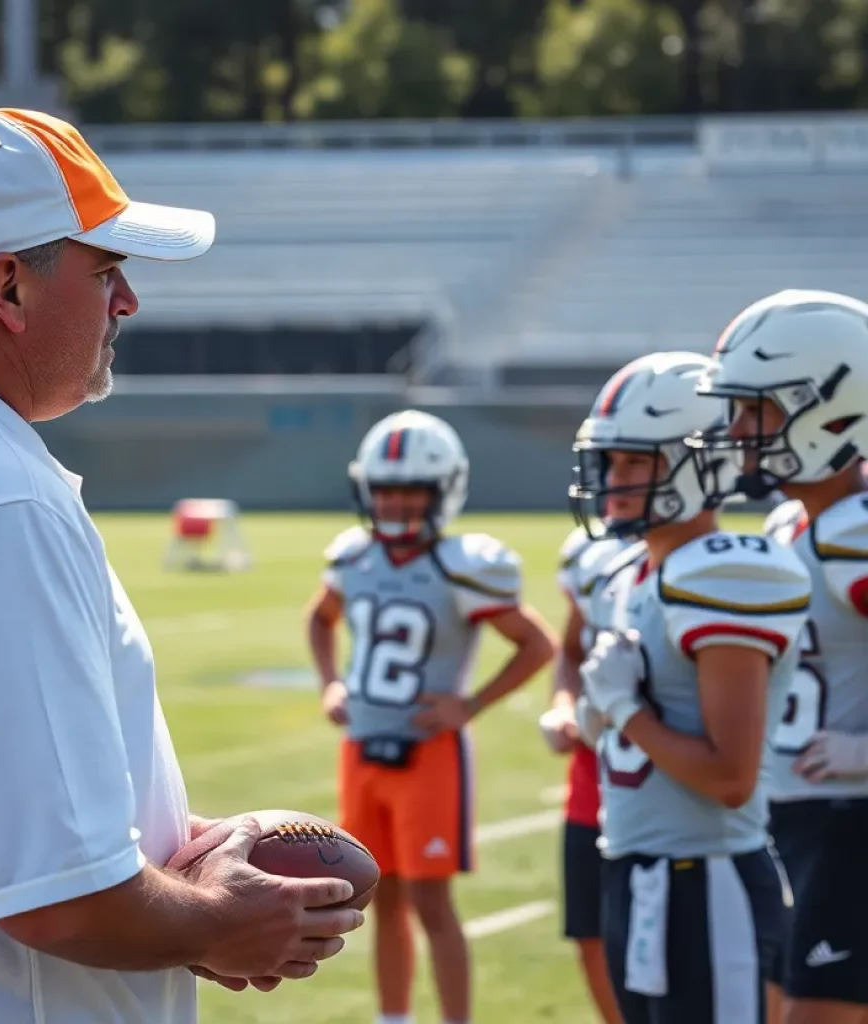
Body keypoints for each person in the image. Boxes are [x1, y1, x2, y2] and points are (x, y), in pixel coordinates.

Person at [0, 102, 363, 1024]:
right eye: (107, 269)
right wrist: (220, 920)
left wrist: (171, 844)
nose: (127, 302)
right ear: (8, 287)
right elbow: (57, 893)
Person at [571, 350, 811, 1024]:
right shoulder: (630, 575)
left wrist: (620, 709)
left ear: (703, 462)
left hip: (707, 878)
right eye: (611, 462)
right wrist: (596, 716)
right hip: (632, 865)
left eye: (636, 462)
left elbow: (730, 777)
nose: (613, 480)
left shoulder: (723, 574)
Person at [305, 409, 558, 1024]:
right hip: (362, 749)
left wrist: (468, 704)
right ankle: (394, 1017)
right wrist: (332, 683)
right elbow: (320, 618)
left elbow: (537, 644)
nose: (393, 505)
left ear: (444, 492)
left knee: (431, 901)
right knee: (377, 895)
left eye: (409, 492)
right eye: (383, 491)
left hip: (427, 755)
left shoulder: (463, 565)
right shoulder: (354, 557)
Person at [690, 289, 868, 1024]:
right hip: (791, 814)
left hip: (847, 822)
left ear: (830, 407)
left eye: (756, 410)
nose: (736, 431)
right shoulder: (795, 518)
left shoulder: (852, 531)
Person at [540, 523, 626, 1024]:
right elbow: (571, 649)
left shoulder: (704, 564)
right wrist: (564, 705)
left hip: (676, 787)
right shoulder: (591, 553)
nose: (615, 480)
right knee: (591, 933)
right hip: (591, 785)